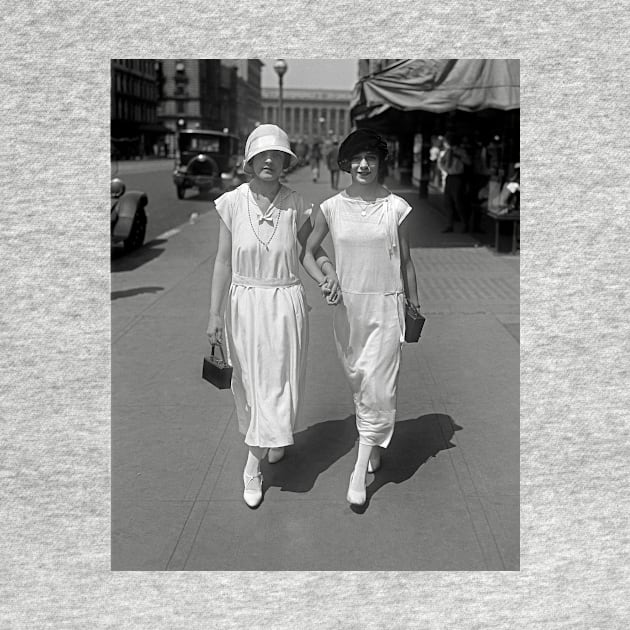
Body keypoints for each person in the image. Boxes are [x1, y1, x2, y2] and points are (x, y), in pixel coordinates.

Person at [206, 124, 336, 509]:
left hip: (285, 303)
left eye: (276, 155)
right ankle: (271, 438)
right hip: (244, 303)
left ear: (285, 163)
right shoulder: (230, 203)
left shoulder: (297, 205)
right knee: (249, 383)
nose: (268, 161)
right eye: (261, 155)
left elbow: (308, 253)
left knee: (279, 381)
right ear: (249, 162)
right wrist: (213, 314)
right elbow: (222, 260)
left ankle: (252, 465)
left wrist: (327, 276)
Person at [302, 129, 420, 507]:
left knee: (381, 388)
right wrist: (326, 277)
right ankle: (373, 442)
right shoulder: (331, 207)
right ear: (347, 163)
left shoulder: (396, 207)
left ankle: (358, 470)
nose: (364, 165)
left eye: (370, 158)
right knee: (360, 382)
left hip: (387, 306)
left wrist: (414, 306)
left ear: (380, 161)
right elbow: (306, 251)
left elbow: (405, 260)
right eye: (356, 159)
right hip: (348, 309)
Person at [438, 132, 471, 233]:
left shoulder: (461, 151)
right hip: (450, 176)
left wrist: (460, 157)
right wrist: (445, 169)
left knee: (458, 202)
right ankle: (449, 224)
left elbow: (469, 162)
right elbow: (441, 162)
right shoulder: (448, 151)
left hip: (458, 177)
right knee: (448, 201)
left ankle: (465, 223)